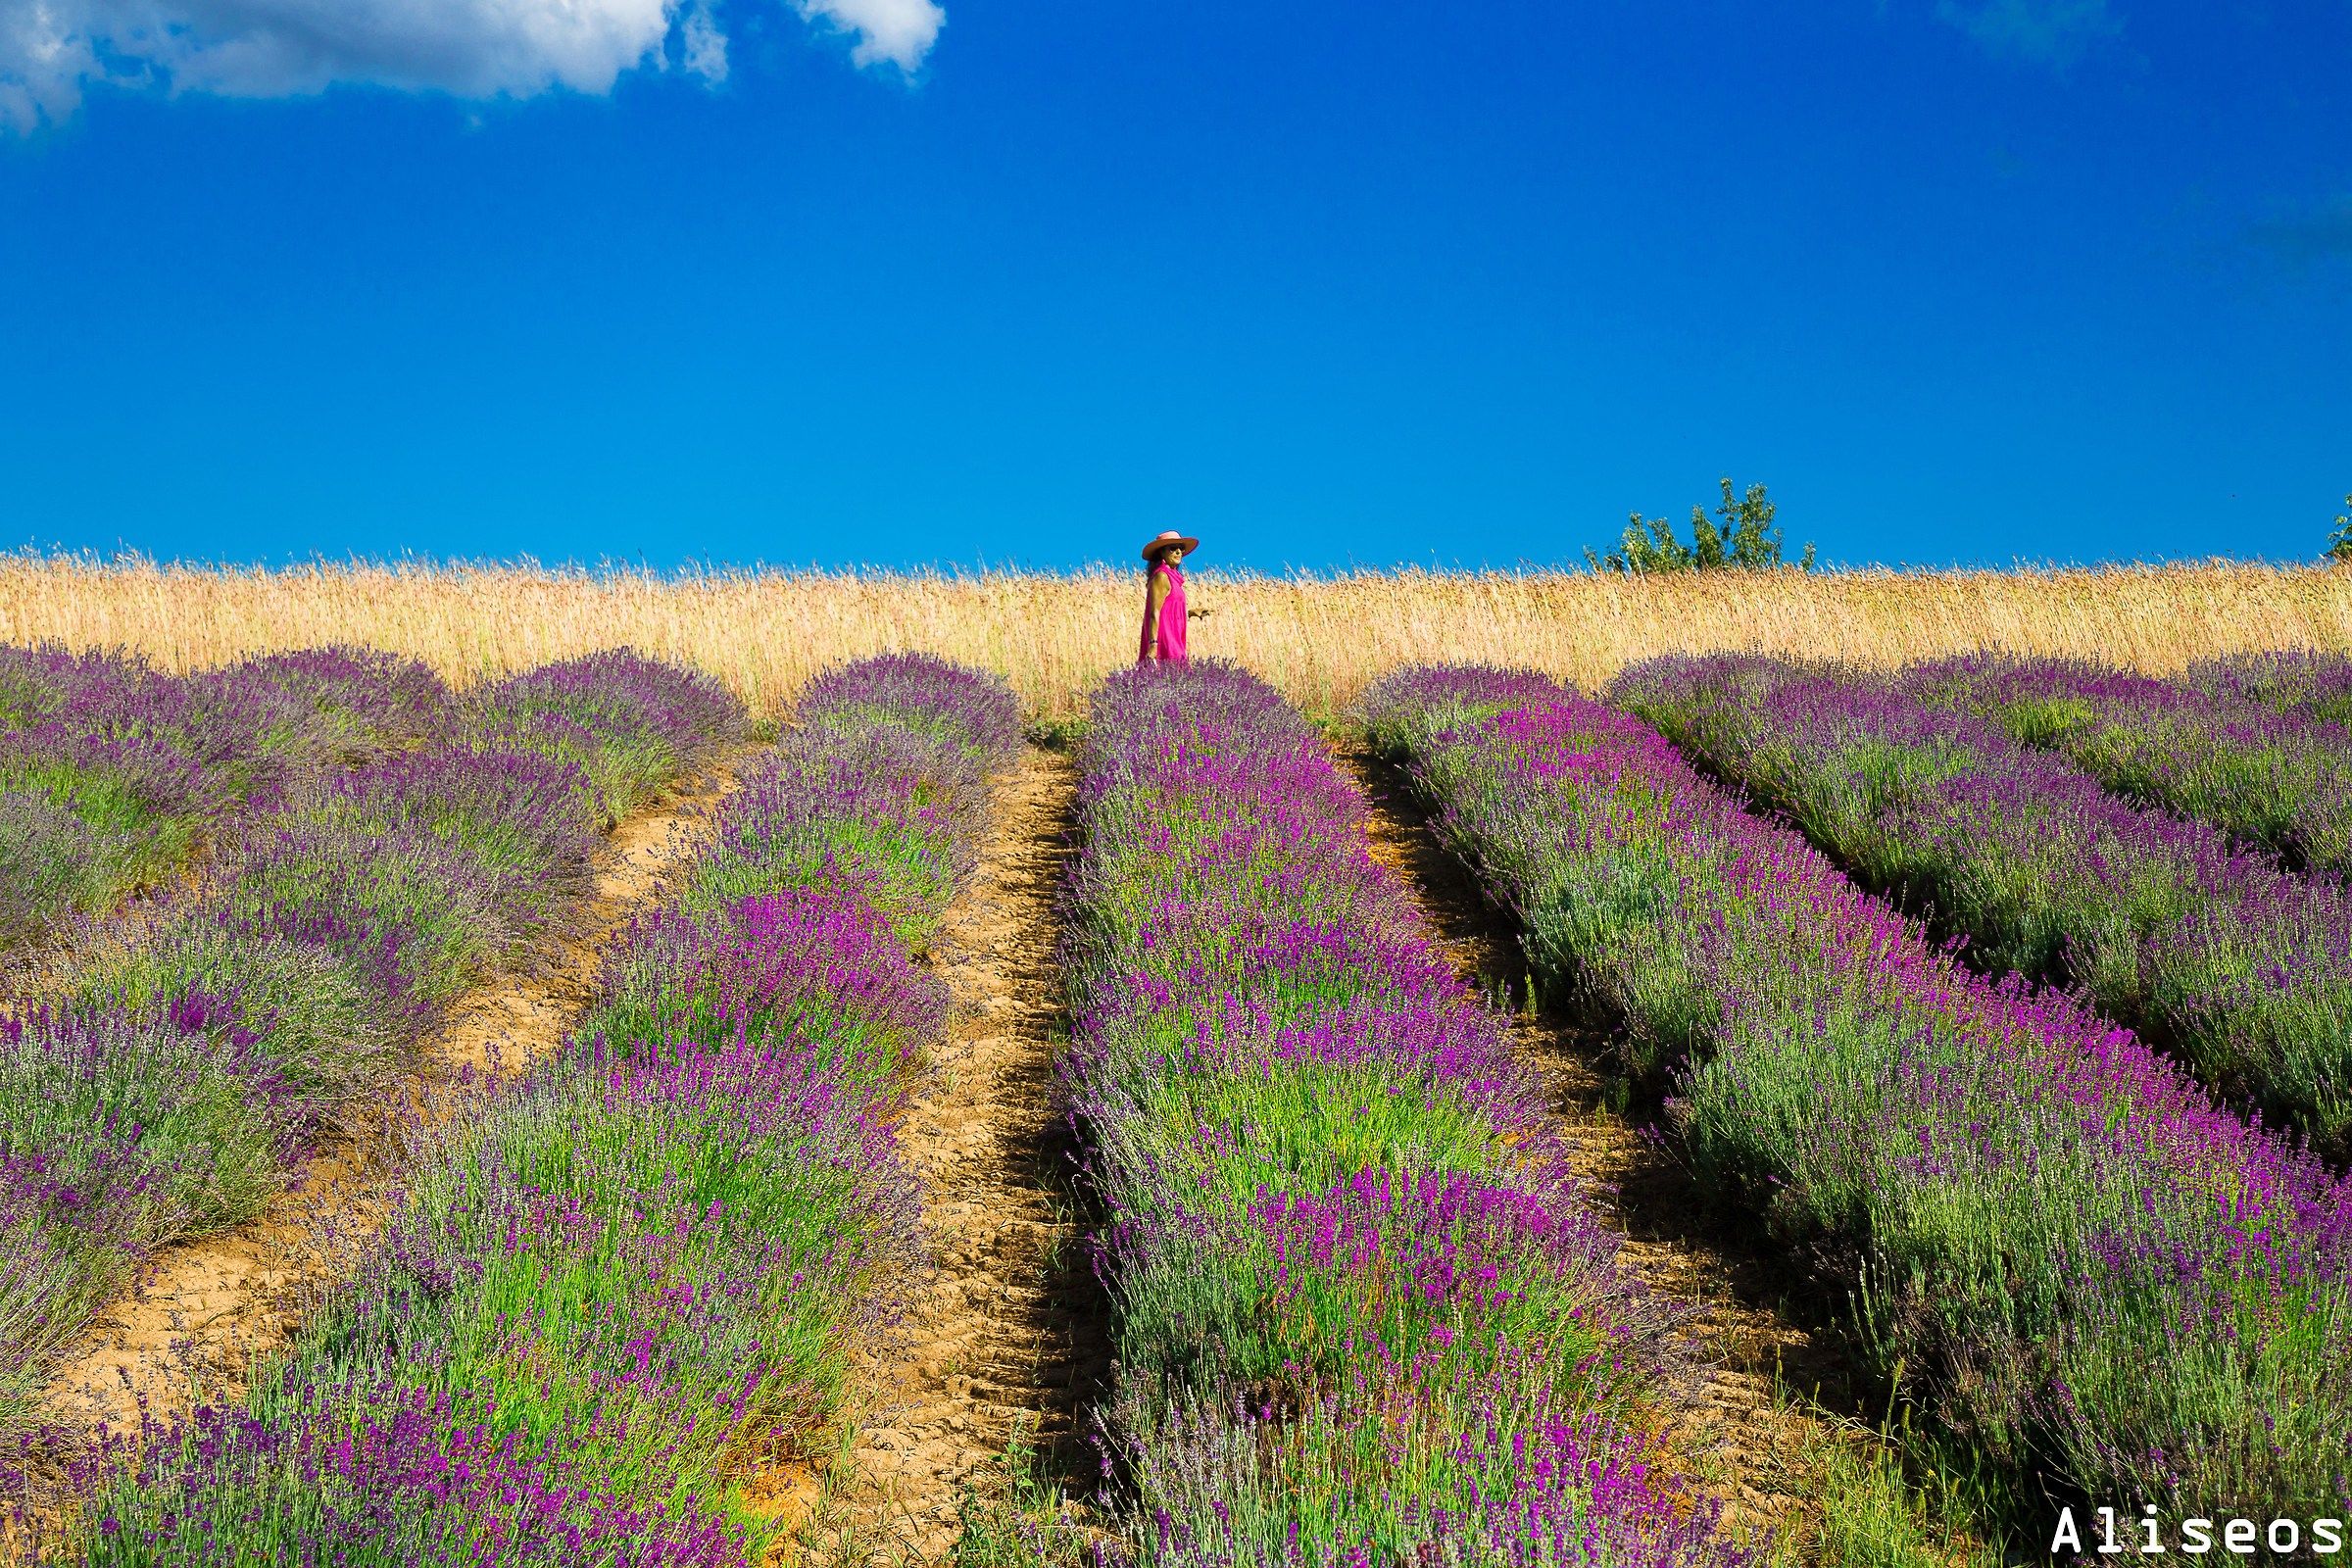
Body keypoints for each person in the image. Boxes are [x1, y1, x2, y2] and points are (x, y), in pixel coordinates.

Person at [1137, 530, 1204, 664]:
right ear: (1161, 552)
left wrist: (1190, 613)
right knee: (1173, 674)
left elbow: (1168, 610)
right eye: (1173, 548)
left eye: (1181, 548)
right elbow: (1154, 612)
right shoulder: (1161, 576)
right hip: (1165, 639)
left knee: (1176, 677)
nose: (1178, 552)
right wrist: (1153, 644)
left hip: (1175, 636)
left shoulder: (1174, 578)